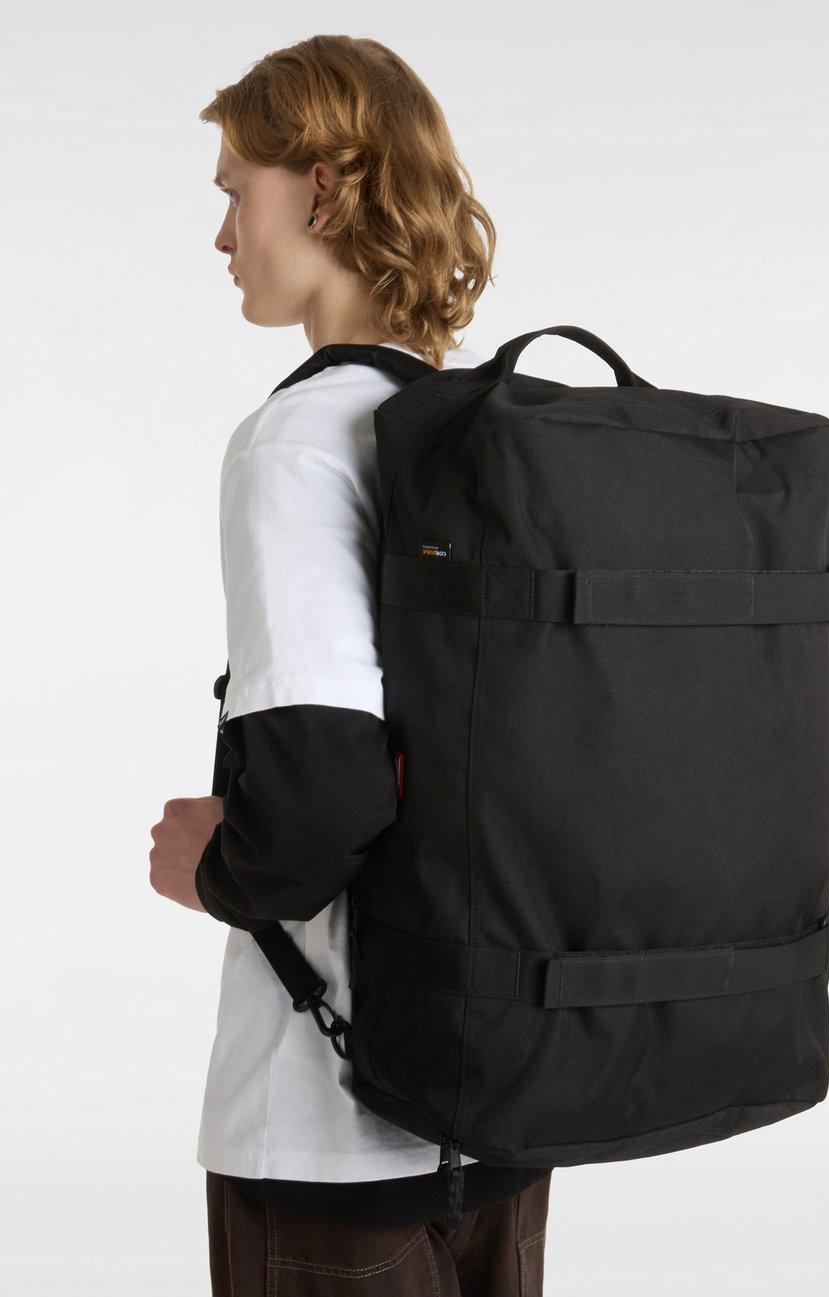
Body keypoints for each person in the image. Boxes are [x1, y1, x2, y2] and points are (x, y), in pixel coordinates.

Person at [148, 34, 553, 1296]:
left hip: (326, 1134)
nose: (222, 234)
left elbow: (318, 799)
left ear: (320, 190)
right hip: (504, 1105)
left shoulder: (300, 442)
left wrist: (211, 865)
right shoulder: (490, 431)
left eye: (236, 190)